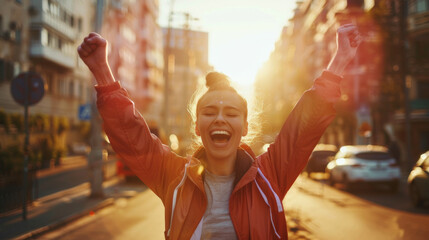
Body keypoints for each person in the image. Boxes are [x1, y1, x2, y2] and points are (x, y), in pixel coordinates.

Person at [78, 24, 362, 239]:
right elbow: (133, 138)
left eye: (231, 113)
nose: (220, 119)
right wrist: (103, 72)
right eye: (210, 113)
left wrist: (339, 62)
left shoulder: (271, 175)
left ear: (245, 127)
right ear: (198, 127)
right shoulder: (172, 177)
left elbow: (304, 127)